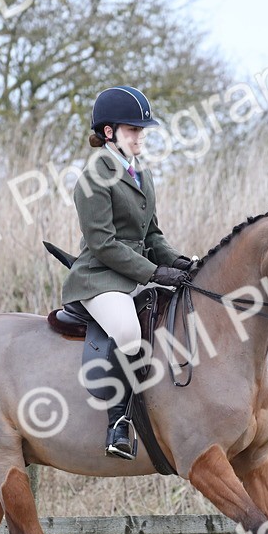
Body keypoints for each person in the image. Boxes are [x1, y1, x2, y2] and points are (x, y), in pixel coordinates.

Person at [62, 86, 195, 460]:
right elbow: (103, 244)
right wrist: (155, 272)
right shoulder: (93, 179)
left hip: (134, 275)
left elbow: (152, 234)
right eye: (133, 130)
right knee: (128, 331)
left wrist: (179, 262)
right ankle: (118, 425)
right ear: (109, 133)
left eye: (142, 130)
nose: (140, 137)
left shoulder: (141, 173)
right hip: (99, 278)